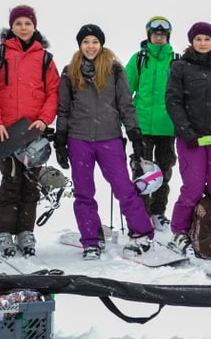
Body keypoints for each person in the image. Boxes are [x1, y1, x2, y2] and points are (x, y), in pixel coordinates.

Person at [54, 24, 154, 260]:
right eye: (86, 42)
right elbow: (64, 109)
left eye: (95, 42)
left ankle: (141, 234)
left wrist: (134, 134)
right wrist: (60, 139)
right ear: (80, 45)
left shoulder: (115, 70)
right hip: (79, 140)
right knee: (84, 193)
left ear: (101, 44)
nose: (90, 46)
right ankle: (91, 240)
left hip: (109, 138)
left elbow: (125, 105)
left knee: (124, 189)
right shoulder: (70, 72)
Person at [0, 4, 60, 258]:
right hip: (6, 132)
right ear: (11, 27)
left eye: (27, 23)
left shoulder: (45, 58)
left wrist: (44, 119)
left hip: (33, 132)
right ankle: (3, 232)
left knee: (31, 185)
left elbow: (53, 93)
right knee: (10, 182)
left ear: (34, 26)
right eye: (19, 23)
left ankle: (25, 231)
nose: (23, 27)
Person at [165, 22, 211, 255]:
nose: (203, 43)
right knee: (193, 187)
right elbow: (173, 101)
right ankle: (179, 231)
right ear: (191, 41)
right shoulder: (180, 67)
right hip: (192, 140)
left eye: (207, 39)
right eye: (198, 39)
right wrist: (187, 133)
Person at [124, 16, 179, 232]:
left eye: (162, 35)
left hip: (167, 126)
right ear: (149, 35)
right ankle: (142, 213)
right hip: (142, 126)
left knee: (164, 170)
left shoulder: (175, 60)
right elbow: (125, 92)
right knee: (142, 171)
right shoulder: (139, 59)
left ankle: (158, 212)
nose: (159, 38)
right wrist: (125, 120)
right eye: (155, 34)